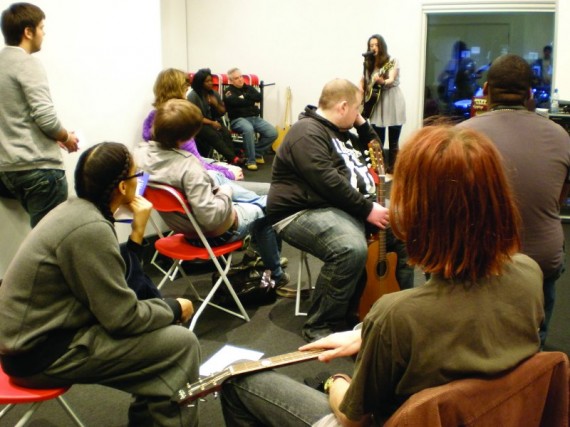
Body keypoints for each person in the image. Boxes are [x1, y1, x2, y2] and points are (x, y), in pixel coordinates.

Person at [220, 125, 544, 426]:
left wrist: (335, 381)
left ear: (418, 214)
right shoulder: (529, 274)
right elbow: (462, 328)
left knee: (238, 382)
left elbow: (352, 418)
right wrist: (366, 334)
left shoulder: (396, 315)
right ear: (498, 199)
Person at [0, 142, 200, 427]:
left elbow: (120, 287)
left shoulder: (76, 211)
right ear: (121, 188)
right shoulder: (90, 229)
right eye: (136, 174)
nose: (139, 179)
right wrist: (173, 308)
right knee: (181, 344)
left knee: (160, 330)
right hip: (42, 355)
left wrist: (137, 233)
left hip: (38, 340)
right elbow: (123, 318)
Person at [267, 79, 413, 343]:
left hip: (339, 206)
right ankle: (320, 324)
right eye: (357, 110)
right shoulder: (306, 132)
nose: (359, 115)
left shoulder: (341, 130)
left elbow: (375, 150)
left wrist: (361, 124)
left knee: (404, 231)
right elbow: (327, 181)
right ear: (344, 106)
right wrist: (367, 209)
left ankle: (400, 309)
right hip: (299, 211)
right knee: (350, 249)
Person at [458, 53, 570, 347]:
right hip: (541, 261)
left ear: (485, 91)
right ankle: (536, 359)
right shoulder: (561, 136)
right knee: (533, 346)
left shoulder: (461, 136)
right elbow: (559, 196)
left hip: (478, 260)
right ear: (530, 94)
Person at [135, 98, 289, 287]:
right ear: (184, 138)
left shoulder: (141, 155)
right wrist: (225, 193)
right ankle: (275, 274)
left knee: (217, 176)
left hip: (185, 225)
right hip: (212, 233)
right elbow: (211, 218)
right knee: (270, 209)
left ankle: (260, 203)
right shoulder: (188, 166)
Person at [0, 2, 79, 227]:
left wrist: (57, 135)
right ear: (28, 31)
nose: (44, 34)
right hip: (39, 169)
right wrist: (66, 137)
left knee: (36, 243)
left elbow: (16, 116)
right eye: (42, 28)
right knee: (50, 245)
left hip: (8, 170)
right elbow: (46, 117)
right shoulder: (27, 63)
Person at [361, 34, 406, 174]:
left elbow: (391, 79)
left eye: (376, 45)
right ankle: (379, 170)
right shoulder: (368, 64)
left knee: (393, 141)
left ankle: (393, 169)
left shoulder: (392, 61)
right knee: (377, 140)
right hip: (376, 102)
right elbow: (364, 82)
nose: (374, 47)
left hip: (392, 100)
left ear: (382, 46)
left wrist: (382, 81)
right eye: (371, 45)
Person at [224, 67, 277, 171]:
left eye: (241, 77)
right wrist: (250, 100)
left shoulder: (249, 88)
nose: (240, 79)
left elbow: (259, 97)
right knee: (248, 129)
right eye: (236, 78)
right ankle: (250, 160)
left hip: (254, 118)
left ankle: (255, 152)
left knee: (273, 133)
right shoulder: (228, 91)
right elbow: (234, 102)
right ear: (231, 81)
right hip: (238, 119)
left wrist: (244, 97)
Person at [187, 67, 241, 165]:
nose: (210, 83)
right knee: (214, 135)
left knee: (226, 133)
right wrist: (212, 123)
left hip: (214, 121)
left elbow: (222, 112)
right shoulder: (193, 96)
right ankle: (233, 158)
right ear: (200, 82)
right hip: (199, 124)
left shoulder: (213, 93)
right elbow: (195, 117)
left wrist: (215, 104)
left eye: (211, 81)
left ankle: (232, 159)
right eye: (207, 81)